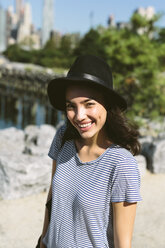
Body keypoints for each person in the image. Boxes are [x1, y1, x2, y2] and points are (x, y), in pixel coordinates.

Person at [39, 54, 142, 248]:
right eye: (71, 106)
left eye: (89, 104)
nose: (79, 116)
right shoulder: (63, 138)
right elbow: (52, 199)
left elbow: (123, 244)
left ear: (107, 105)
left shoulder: (121, 164)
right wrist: (42, 242)